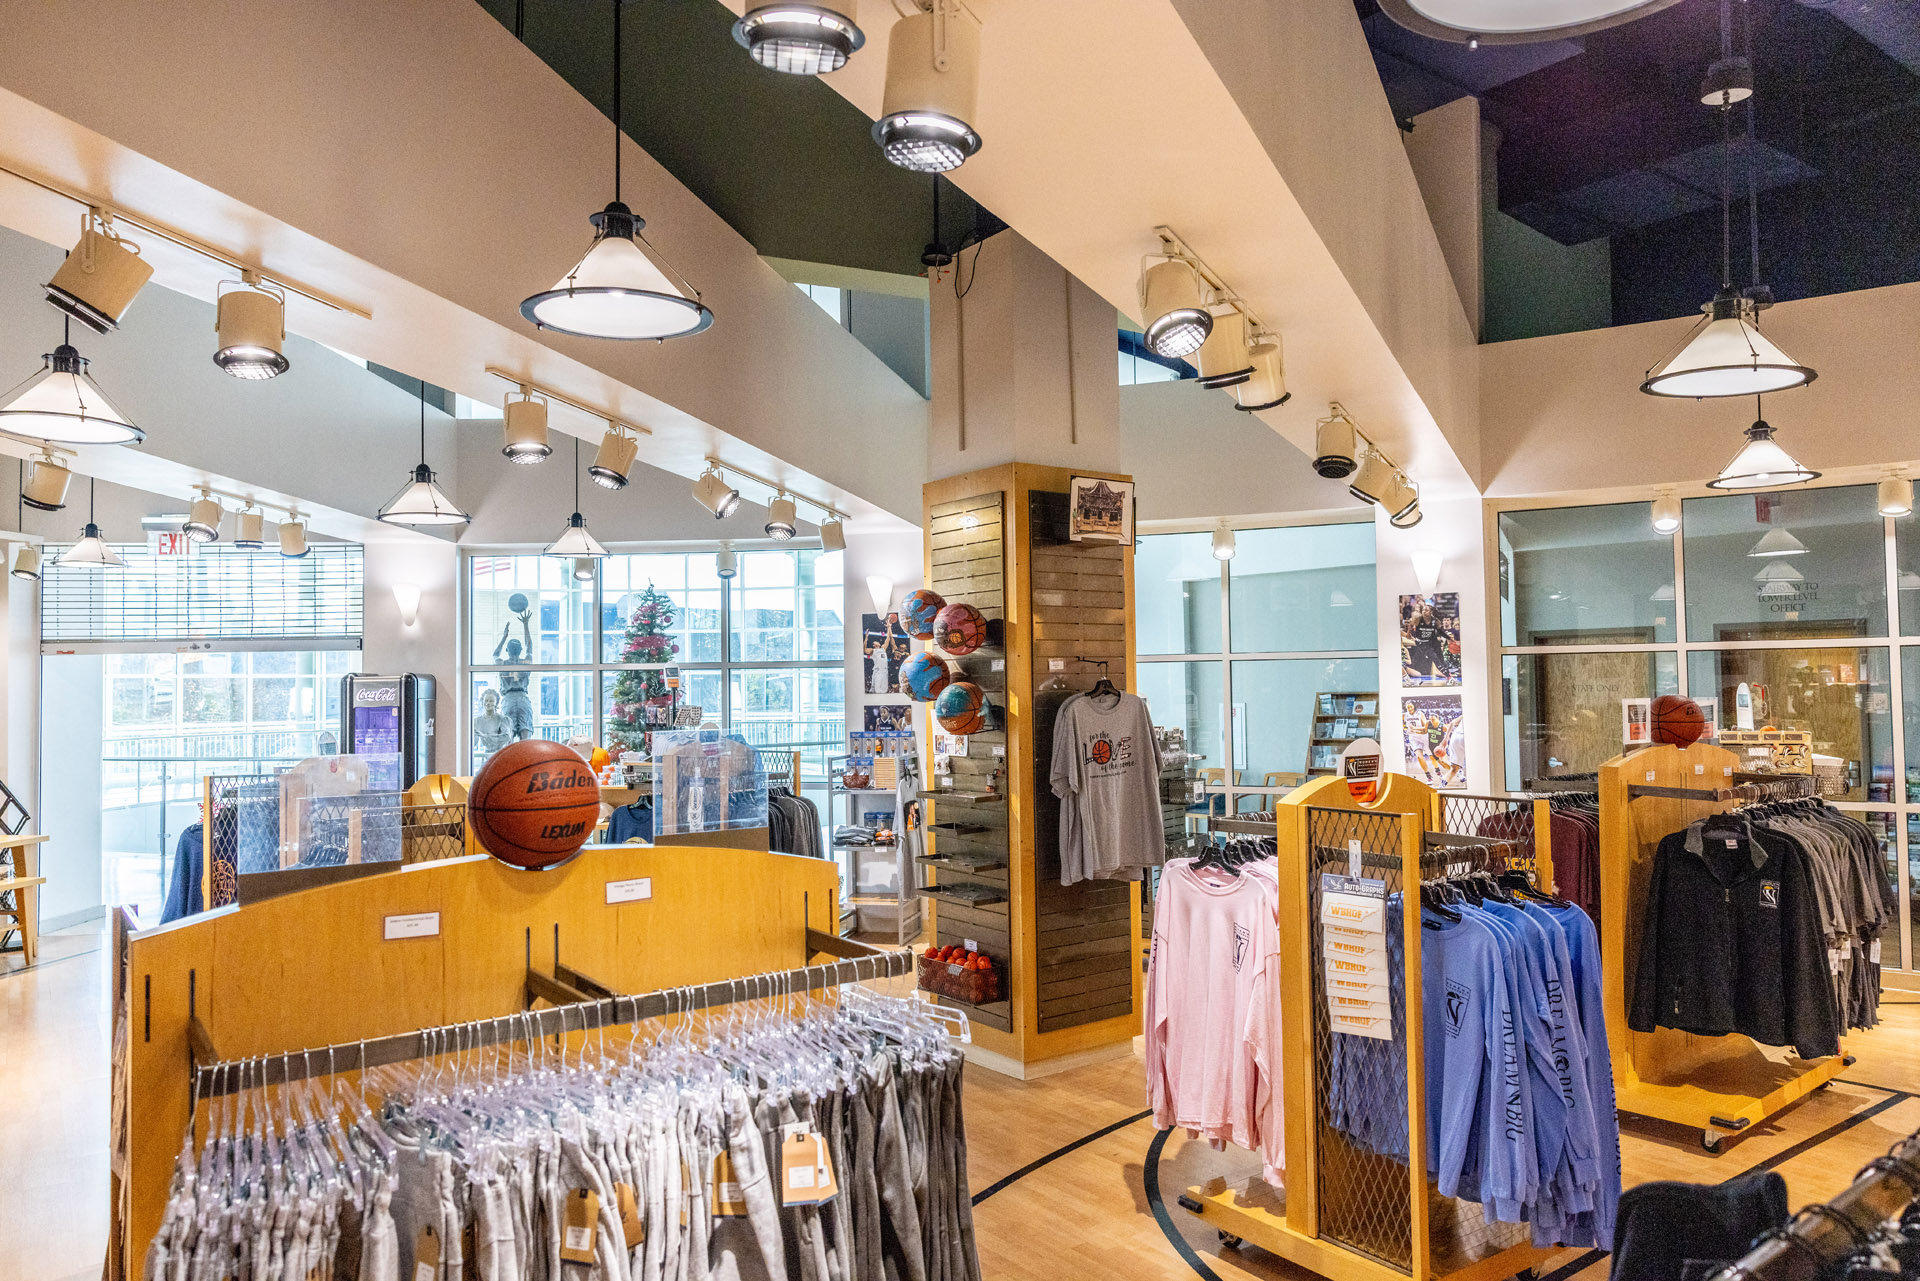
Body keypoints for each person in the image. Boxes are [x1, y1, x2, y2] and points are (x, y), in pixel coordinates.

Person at [494, 607, 535, 741]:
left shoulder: (503, 663)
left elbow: (495, 655)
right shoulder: (525, 662)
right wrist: (525, 625)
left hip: (510, 698)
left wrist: (504, 636)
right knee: (524, 733)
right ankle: (525, 758)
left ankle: (513, 759)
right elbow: (530, 646)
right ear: (520, 650)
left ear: (507, 650)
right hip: (522, 697)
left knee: (509, 735)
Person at [473, 687, 513, 759]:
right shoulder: (477, 721)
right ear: (482, 701)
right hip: (486, 757)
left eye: (491, 701)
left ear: (496, 703)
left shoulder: (503, 719)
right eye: (486, 700)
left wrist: (485, 736)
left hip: (500, 756)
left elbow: (506, 737)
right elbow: (473, 743)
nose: (488, 703)